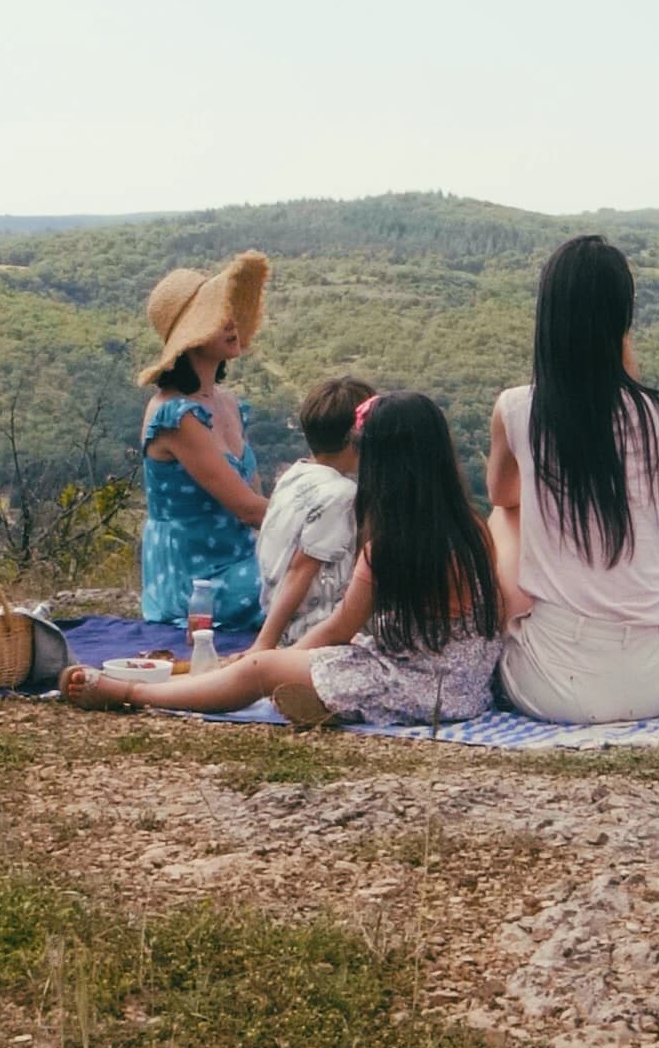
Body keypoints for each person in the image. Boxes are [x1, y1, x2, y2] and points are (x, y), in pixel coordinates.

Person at [64, 391, 503, 727]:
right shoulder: (472, 527)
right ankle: (326, 700)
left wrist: (274, 653)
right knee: (290, 666)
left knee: (260, 669)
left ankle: (133, 693)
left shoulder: (389, 548)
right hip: (465, 686)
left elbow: (339, 629)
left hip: (414, 684)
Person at [487, 233, 659, 722]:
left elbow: (502, 494)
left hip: (556, 686)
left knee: (503, 516)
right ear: (624, 321)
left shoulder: (518, 409)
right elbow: (622, 397)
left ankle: (503, 629)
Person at [134, 253, 271, 630]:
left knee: (319, 576)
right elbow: (248, 509)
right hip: (196, 580)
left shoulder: (227, 404)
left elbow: (256, 505)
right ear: (190, 340)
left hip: (240, 561)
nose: (231, 323)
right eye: (216, 316)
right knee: (316, 580)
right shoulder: (175, 416)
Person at [252, 374, 376, 652]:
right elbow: (301, 571)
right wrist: (263, 646)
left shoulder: (294, 474)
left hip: (286, 625)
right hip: (314, 633)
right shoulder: (340, 495)